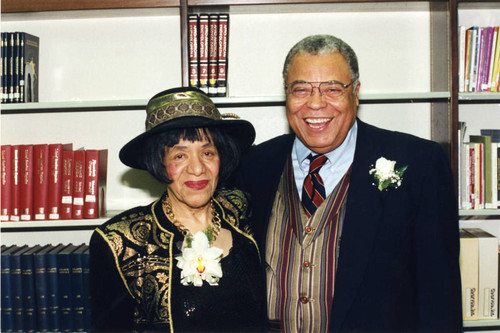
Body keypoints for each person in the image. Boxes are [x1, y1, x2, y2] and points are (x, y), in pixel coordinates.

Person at [235, 34, 462, 332]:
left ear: (356, 93)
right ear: (286, 95)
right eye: (300, 89)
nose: (315, 104)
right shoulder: (253, 165)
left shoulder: (419, 165)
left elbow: (439, 297)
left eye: (332, 89)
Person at [89, 87, 266, 332]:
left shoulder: (242, 210)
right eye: (180, 156)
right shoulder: (120, 241)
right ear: (158, 162)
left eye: (207, 152)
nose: (197, 168)